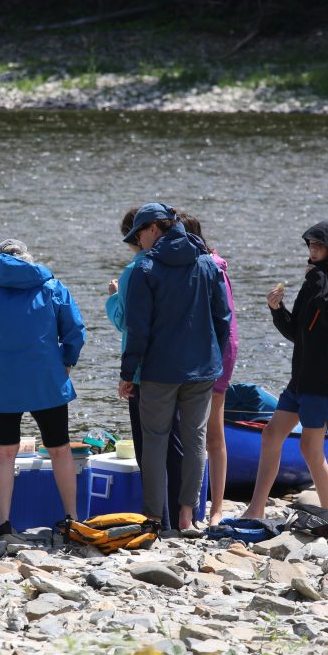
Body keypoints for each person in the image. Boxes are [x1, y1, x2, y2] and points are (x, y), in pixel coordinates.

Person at [0, 239, 87, 535]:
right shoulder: (52, 287)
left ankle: (3, 521)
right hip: (48, 380)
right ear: (27, 259)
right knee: (60, 450)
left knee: (4, 453)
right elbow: (75, 330)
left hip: (3, 381)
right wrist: (66, 361)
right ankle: (73, 518)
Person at [118, 203, 232, 530]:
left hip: (158, 371)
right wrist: (214, 356)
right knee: (195, 441)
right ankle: (186, 517)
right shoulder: (207, 264)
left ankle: (154, 517)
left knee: (155, 440)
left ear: (154, 228)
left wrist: (128, 374)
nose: (139, 242)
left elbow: (138, 329)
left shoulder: (145, 270)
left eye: (139, 234)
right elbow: (222, 319)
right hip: (202, 369)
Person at [242, 222, 328, 515]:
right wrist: (277, 310)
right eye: (310, 245)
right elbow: (298, 332)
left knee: (310, 448)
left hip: (327, 381)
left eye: (319, 245)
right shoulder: (314, 281)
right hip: (300, 379)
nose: (312, 250)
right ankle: (256, 508)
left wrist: (320, 284)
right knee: (271, 435)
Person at [106, 208, 184, 530]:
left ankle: (158, 519)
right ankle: (185, 518)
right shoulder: (183, 264)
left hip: (145, 371)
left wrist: (112, 299)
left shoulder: (134, 271)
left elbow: (129, 324)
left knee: (148, 447)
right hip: (182, 368)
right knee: (179, 444)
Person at [178, 211, 238, 526]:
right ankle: (196, 506)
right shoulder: (193, 266)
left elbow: (225, 324)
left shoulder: (212, 268)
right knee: (197, 434)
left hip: (214, 360)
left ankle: (216, 509)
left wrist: (217, 367)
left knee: (212, 435)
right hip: (198, 360)